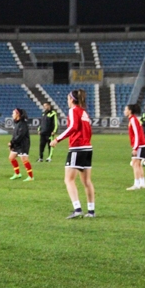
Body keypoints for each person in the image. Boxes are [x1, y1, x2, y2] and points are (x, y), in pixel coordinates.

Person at [50, 89, 95, 219]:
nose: (67, 101)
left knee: (69, 179)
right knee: (87, 181)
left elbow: (73, 127)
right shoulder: (84, 112)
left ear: (72, 99)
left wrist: (57, 139)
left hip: (77, 148)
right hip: (87, 148)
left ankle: (77, 209)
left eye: (68, 98)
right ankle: (91, 211)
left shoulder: (73, 110)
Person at [125, 104, 145, 190]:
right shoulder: (133, 119)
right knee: (138, 164)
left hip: (139, 145)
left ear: (130, 111)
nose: (124, 111)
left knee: (135, 164)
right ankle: (142, 183)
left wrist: (135, 148)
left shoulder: (133, 120)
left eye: (126, 109)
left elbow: (137, 134)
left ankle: (136, 184)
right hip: (141, 144)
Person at [8, 108, 34, 181]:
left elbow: (20, 136)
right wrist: (12, 143)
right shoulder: (17, 123)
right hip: (17, 144)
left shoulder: (23, 124)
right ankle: (17, 174)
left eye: (13, 113)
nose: (12, 115)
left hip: (23, 145)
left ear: (18, 114)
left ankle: (31, 177)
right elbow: (15, 135)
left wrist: (12, 142)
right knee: (11, 157)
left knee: (24, 159)